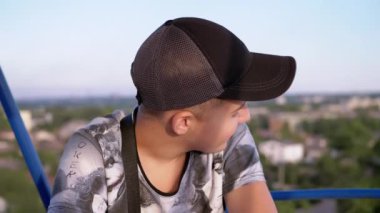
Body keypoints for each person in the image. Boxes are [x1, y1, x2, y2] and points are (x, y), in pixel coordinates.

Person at [48, 17, 296, 212]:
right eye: (236, 111)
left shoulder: (230, 137)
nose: (246, 117)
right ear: (184, 122)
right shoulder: (93, 153)